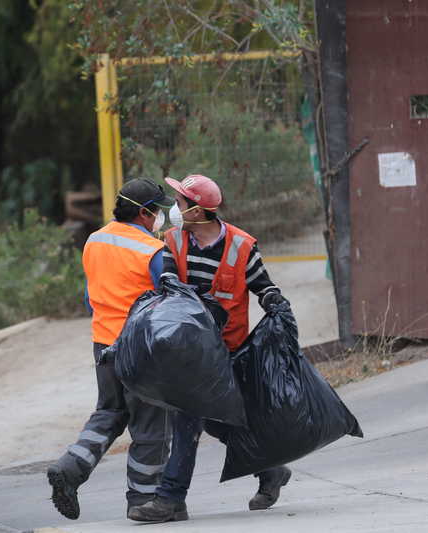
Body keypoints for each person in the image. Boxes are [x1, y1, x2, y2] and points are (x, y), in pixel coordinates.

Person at [127, 174, 291, 523]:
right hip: (189, 354)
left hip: (227, 351)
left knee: (202, 420)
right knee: (195, 418)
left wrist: (275, 301)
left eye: (181, 202)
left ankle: (172, 499)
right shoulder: (172, 240)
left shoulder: (242, 245)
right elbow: (169, 276)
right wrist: (169, 281)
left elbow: (262, 285)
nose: (175, 208)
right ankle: (267, 470)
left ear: (199, 211)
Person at [47, 178, 175, 520]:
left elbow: (91, 296)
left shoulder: (94, 240)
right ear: (145, 213)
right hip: (143, 346)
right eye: (158, 211)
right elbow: (170, 300)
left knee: (110, 412)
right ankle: (143, 501)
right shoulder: (152, 251)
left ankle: (71, 468)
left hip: (104, 342)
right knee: (151, 423)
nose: (160, 217)